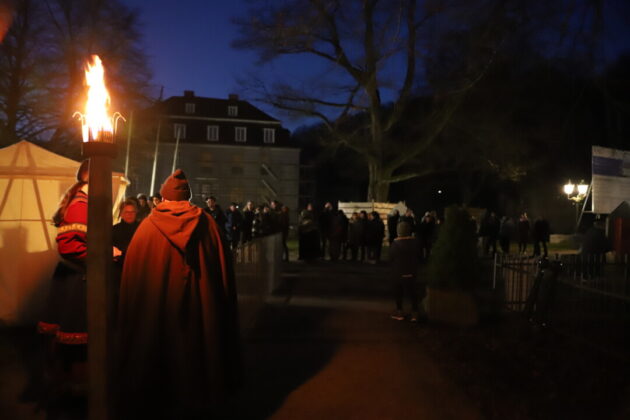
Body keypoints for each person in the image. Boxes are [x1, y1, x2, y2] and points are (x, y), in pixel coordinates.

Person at [116, 169, 240, 418]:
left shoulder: (148, 227)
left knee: (156, 346)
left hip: (157, 308)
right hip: (199, 307)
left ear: (163, 197)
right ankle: (199, 398)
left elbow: (134, 275)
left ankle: (156, 398)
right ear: (187, 196)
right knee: (197, 348)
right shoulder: (208, 224)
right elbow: (221, 269)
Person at [37, 160, 121, 403]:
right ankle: (75, 394)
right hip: (76, 281)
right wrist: (107, 253)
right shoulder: (81, 205)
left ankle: (78, 391)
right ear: (89, 175)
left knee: (80, 341)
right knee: (76, 340)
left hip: (80, 278)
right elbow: (70, 246)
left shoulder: (86, 203)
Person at [389, 222, 421, 322]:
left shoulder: (395, 244)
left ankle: (400, 312)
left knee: (399, 293)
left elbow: (391, 258)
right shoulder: (415, 243)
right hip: (412, 271)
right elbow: (419, 256)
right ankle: (415, 314)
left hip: (398, 272)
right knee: (413, 294)